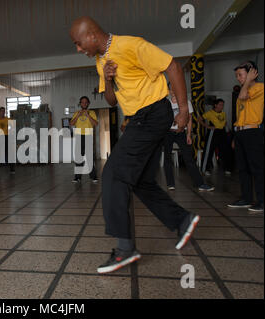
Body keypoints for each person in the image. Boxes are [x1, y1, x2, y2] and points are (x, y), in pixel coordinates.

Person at [70, 16, 200, 273]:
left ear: (92, 36)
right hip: (140, 117)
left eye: (78, 43)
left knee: (113, 175)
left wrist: (183, 109)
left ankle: (125, 248)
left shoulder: (132, 45)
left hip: (153, 114)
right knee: (140, 181)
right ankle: (182, 220)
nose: (78, 49)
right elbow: (109, 101)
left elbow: (172, 66)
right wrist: (107, 78)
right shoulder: (100, 61)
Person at [227, 61, 264, 213]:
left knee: (257, 168)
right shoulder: (242, 90)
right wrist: (236, 136)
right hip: (241, 132)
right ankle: (246, 199)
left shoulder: (260, 87)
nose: (238, 78)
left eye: (240, 75)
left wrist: (248, 80)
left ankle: (262, 201)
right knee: (242, 168)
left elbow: (243, 96)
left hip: (253, 132)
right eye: (237, 75)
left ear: (251, 73)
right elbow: (239, 115)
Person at [164, 85, 214, 191]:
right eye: (171, 89)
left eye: (175, 88)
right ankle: (170, 183)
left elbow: (190, 119)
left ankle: (199, 183)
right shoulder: (165, 103)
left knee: (189, 158)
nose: (173, 91)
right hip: (168, 133)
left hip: (182, 132)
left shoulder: (185, 102)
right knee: (167, 158)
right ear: (168, 90)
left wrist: (188, 134)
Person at [197, 98, 233, 175]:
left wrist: (227, 129)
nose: (222, 106)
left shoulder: (223, 113)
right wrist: (207, 126)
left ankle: (227, 168)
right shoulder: (210, 113)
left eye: (222, 105)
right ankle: (205, 169)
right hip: (213, 132)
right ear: (215, 105)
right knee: (209, 151)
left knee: (225, 150)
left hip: (222, 132)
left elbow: (224, 122)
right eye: (220, 104)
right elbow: (199, 119)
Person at [70, 96, 99, 183]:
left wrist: (88, 115)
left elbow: (95, 124)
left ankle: (93, 177)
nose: (84, 104)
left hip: (88, 136)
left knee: (90, 157)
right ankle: (77, 177)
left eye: (86, 102)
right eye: (82, 102)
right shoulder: (76, 113)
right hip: (79, 136)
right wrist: (78, 115)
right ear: (80, 104)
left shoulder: (92, 112)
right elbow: (71, 123)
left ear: (88, 103)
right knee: (79, 158)